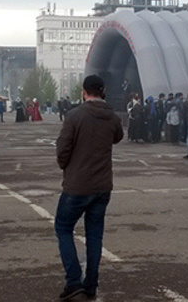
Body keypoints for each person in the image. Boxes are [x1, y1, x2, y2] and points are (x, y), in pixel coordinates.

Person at [55, 75, 123, 300]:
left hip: (77, 185)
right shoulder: (111, 116)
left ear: (84, 91)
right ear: (103, 92)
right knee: (94, 235)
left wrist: (66, 166)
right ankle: (91, 284)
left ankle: (74, 281)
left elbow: (63, 149)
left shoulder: (75, 115)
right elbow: (117, 137)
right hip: (102, 185)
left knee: (63, 228)